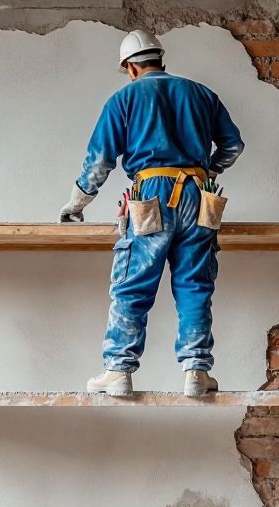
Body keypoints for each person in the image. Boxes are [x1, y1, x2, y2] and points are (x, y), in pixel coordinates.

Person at [61, 30, 244, 398]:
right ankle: (196, 370)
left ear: (130, 67)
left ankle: (118, 370)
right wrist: (207, 171)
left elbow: (99, 161)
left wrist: (75, 205)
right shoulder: (202, 94)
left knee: (133, 282)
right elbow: (233, 145)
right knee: (195, 283)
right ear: (161, 60)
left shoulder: (124, 98)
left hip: (149, 194)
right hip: (198, 196)